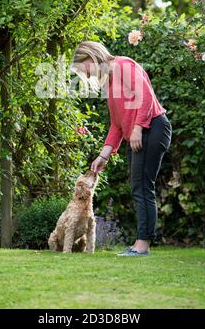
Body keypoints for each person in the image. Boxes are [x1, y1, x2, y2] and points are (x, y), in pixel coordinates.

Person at [71, 41, 172, 256]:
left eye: (85, 69)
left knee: (143, 187)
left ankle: (142, 246)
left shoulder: (123, 65)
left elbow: (144, 96)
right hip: (142, 131)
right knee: (139, 187)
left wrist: (138, 128)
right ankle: (140, 244)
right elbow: (116, 124)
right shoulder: (109, 83)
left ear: (91, 56)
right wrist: (103, 156)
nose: (87, 76)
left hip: (152, 128)